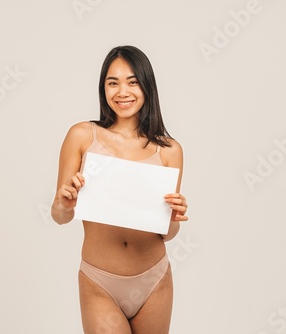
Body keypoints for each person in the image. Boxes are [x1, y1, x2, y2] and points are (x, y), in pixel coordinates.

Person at [51, 45, 188, 334]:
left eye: (132, 82)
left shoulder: (169, 150)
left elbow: (167, 233)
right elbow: (60, 215)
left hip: (154, 279)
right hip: (100, 280)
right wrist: (66, 203)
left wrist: (173, 219)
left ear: (146, 86)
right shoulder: (82, 135)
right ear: (103, 89)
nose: (122, 92)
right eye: (113, 83)